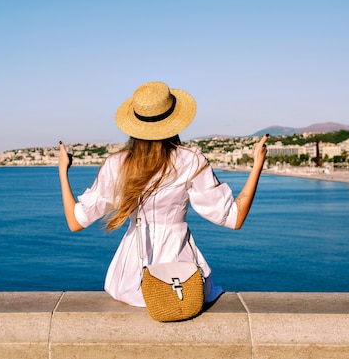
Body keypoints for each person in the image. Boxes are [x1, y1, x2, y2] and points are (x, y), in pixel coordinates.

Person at [58, 81, 268, 307]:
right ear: (174, 120)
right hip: (181, 273)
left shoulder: (117, 164)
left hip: (130, 277)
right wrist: (257, 164)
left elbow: (75, 221)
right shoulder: (191, 160)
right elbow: (233, 217)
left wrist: (63, 170)